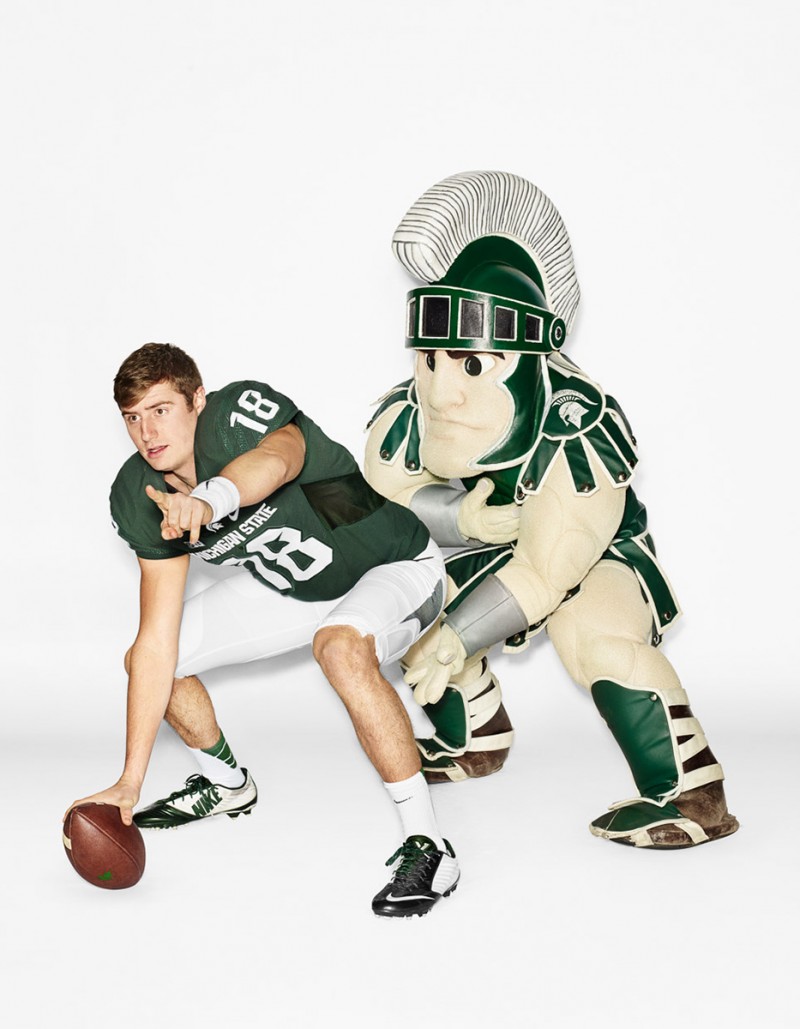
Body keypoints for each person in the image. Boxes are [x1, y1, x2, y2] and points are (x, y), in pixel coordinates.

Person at [364, 170, 738, 849]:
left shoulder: (576, 421)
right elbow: (385, 486)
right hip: (499, 544)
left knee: (591, 629)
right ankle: (476, 732)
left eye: (471, 365)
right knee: (403, 590)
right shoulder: (413, 401)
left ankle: (690, 788)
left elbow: (549, 566)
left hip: (592, 555)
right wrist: (461, 520)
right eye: (432, 360)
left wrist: (461, 631)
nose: (443, 389)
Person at [65, 342, 462, 916]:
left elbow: (279, 458)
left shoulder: (234, 419)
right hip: (295, 586)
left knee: (341, 648)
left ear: (197, 400)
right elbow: (157, 638)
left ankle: (430, 844)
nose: (147, 430)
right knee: (154, 659)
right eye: (132, 417)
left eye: (160, 409)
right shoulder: (140, 493)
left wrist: (211, 499)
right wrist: (130, 779)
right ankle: (227, 785)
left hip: (393, 564)